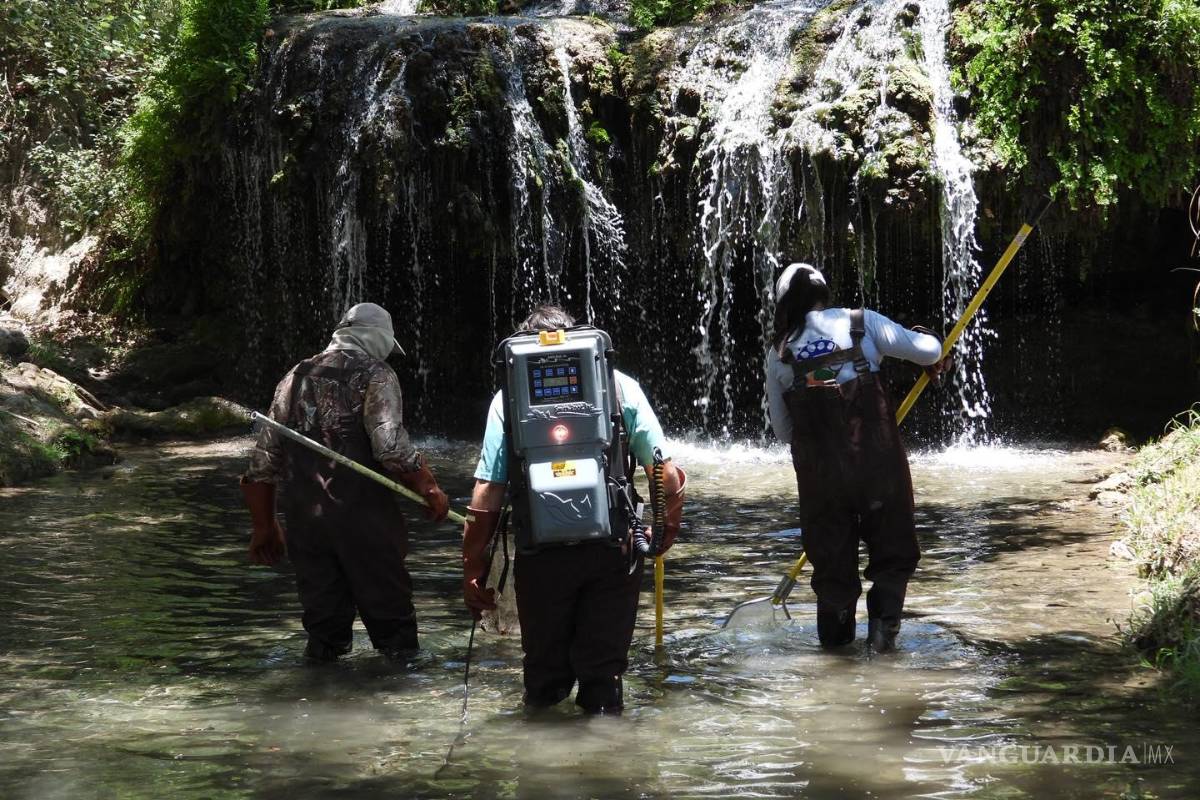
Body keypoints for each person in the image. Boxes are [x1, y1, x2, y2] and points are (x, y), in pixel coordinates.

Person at [460, 304, 685, 713]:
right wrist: (663, 531)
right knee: (603, 676)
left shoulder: (505, 401)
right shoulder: (621, 388)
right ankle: (604, 761)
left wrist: (473, 570)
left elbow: (487, 494)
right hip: (613, 551)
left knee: (544, 681)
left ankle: (543, 762)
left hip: (541, 557)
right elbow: (666, 476)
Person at [240, 302, 451, 661]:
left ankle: (318, 700)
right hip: (363, 522)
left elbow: (263, 461)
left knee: (323, 634)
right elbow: (389, 447)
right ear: (379, 339)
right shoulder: (376, 374)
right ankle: (401, 703)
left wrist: (264, 525)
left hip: (306, 524)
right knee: (395, 631)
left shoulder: (295, 375)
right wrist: (429, 486)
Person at [764, 263, 950, 652]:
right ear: (825, 292)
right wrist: (926, 338)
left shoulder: (779, 353)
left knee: (832, 568)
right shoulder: (862, 324)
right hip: (877, 467)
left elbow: (783, 432)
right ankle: (882, 645)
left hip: (822, 482)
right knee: (892, 552)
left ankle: (835, 657)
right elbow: (929, 351)